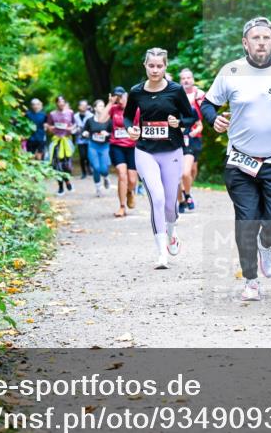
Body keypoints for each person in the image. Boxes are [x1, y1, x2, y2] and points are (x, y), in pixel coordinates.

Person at [200, 17, 271, 301]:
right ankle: (251, 280)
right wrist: (214, 119)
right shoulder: (231, 71)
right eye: (255, 38)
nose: (260, 42)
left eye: (266, 37)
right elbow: (208, 104)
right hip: (240, 161)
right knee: (246, 220)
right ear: (245, 43)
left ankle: (266, 243)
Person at [125, 48, 198, 269]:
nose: (155, 70)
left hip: (172, 151)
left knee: (169, 205)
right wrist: (131, 129)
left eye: (159, 66)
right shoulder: (136, 91)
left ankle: (172, 233)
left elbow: (191, 116)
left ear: (165, 67)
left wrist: (179, 122)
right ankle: (161, 255)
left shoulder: (175, 90)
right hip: (145, 150)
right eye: (151, 65)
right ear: (145, 66)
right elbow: (128, 116)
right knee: (156, 199)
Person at [108, 87, 139, 217]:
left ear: (127, 97)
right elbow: (100, 120)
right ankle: (121, 206)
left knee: (132, 180)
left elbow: (141, 125)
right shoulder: (113, 109)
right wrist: (110, 103)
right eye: (117, 97)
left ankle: (129, 192)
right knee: (122, 174)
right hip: (116, 146)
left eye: (121, 97)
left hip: (132, 147)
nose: (119, 100)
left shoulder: (136, 110)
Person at [179, 68, 206, 213]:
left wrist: (196, 130)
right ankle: (185, 194)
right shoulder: (177, 95)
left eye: (188, 78)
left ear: (193, 79)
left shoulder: (199, 94)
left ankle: (186, 189)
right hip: (180, 138)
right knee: (184, 171)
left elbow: (207, 110)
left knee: (193, 169)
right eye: (183, 78)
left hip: (195, 136)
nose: (186, 80)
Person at [81, 99, 113, 197]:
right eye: (100, 106)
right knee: (96, 168)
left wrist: (107, 134)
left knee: (103, 169)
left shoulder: (108, 120)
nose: (102, 108)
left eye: (104, 106)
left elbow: (113, 134)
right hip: (93, 146)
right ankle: (98, 188)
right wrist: (84, 133)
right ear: (95, 108)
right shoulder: (89, 121)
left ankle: (106, 177)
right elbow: (84, 131)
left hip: (104, 147)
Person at [48, 96, 76, 194]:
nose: (61, 103)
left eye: (63, 101)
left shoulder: (70, 112)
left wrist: (71, 129)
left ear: (65, 103)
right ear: (56, 103)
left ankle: (67, 181)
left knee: (67, 165)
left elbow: (74, 125)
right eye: (59, 101)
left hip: (67, 141)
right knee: (56, 165)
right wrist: (52, 128)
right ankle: (60, 187)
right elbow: (49, 126)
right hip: (57, 141)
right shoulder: (52, 114)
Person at [74, 99, 93, 179]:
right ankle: (83, 172)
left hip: (89, 139)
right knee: (82, 156)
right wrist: (75, 130)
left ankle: (89, 167)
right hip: (80, 139)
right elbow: (73, 127)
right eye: (82, 105)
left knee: (89, 155)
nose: (84, 107)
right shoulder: (75, 116)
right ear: (79, 107)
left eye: (86, 105)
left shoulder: (91, 115)